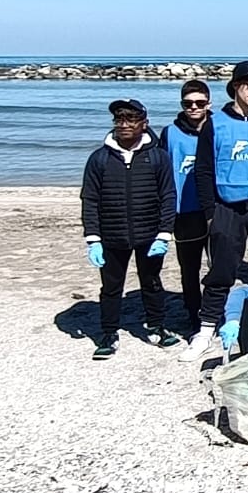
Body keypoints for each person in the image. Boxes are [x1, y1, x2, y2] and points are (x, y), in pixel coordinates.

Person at [186, 61, 248, 362]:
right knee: (221, 271)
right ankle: (205, 330)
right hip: (227, 208)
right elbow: (203, 170)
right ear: (235, 88)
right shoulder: (215, 123)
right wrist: (210, 211)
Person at [80, 99, 179, 358]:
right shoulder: (99, 159)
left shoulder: (158, 157)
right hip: (111, 234)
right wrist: (93, 238)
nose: (124, 124)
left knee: (152, 283)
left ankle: (157, 327)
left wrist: (164, 233)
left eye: (131, 119)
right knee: (111, 287)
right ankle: (108, 333)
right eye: (119, 119)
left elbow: (169, 196)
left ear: (143, 124)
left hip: (149, 234)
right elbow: (89, 199)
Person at [161, 79, 212, 331]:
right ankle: (193, 313)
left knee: (219, 268)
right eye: (188, 103)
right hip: (184, 212)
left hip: (214, 211)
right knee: (189, 270)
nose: (194, 107)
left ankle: (215, 313)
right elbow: (160, 172)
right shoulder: (170, 133)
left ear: (208, 103)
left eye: (199, 103)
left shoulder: (218, 128)